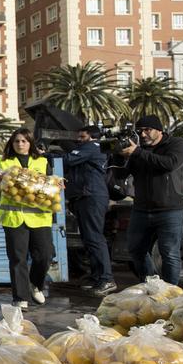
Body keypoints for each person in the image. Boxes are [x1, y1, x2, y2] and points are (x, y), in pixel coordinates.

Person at [120, 116, 183, 285]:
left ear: (159, 130)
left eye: (147, 130)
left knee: (169, 253)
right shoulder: (137, 150)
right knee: (135, 249)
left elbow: (169, 164)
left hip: (170, 209)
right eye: (139, 131)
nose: (143, 134)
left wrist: (137, 152)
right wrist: (118, 156)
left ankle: (170, 295)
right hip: (141, 209)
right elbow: (119, 174)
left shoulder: (177, 144)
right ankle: (151, 284)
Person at [0, 128, 56, 310]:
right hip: (14, 217)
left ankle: (35, 284)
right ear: (11, 144)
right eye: (16, 141)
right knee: (17, 258)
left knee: (45, 256)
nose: (20, 144)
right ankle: (20, 297)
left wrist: (57, 183)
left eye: (24, 141)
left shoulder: (43, 161)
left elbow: (49, 185)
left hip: (39, 217)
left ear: (30, 143)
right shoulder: (2, 162)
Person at [65, 126, 116, 296]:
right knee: (89, 239)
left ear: (92, 137)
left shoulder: (92, 147)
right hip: (85, 196)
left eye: (82, 136)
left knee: (94, 237)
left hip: (91, 196)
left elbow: (68, 160)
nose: (78, 140)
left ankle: (106, 279)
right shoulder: (87, 148)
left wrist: (46, 155)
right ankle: (97, 277)